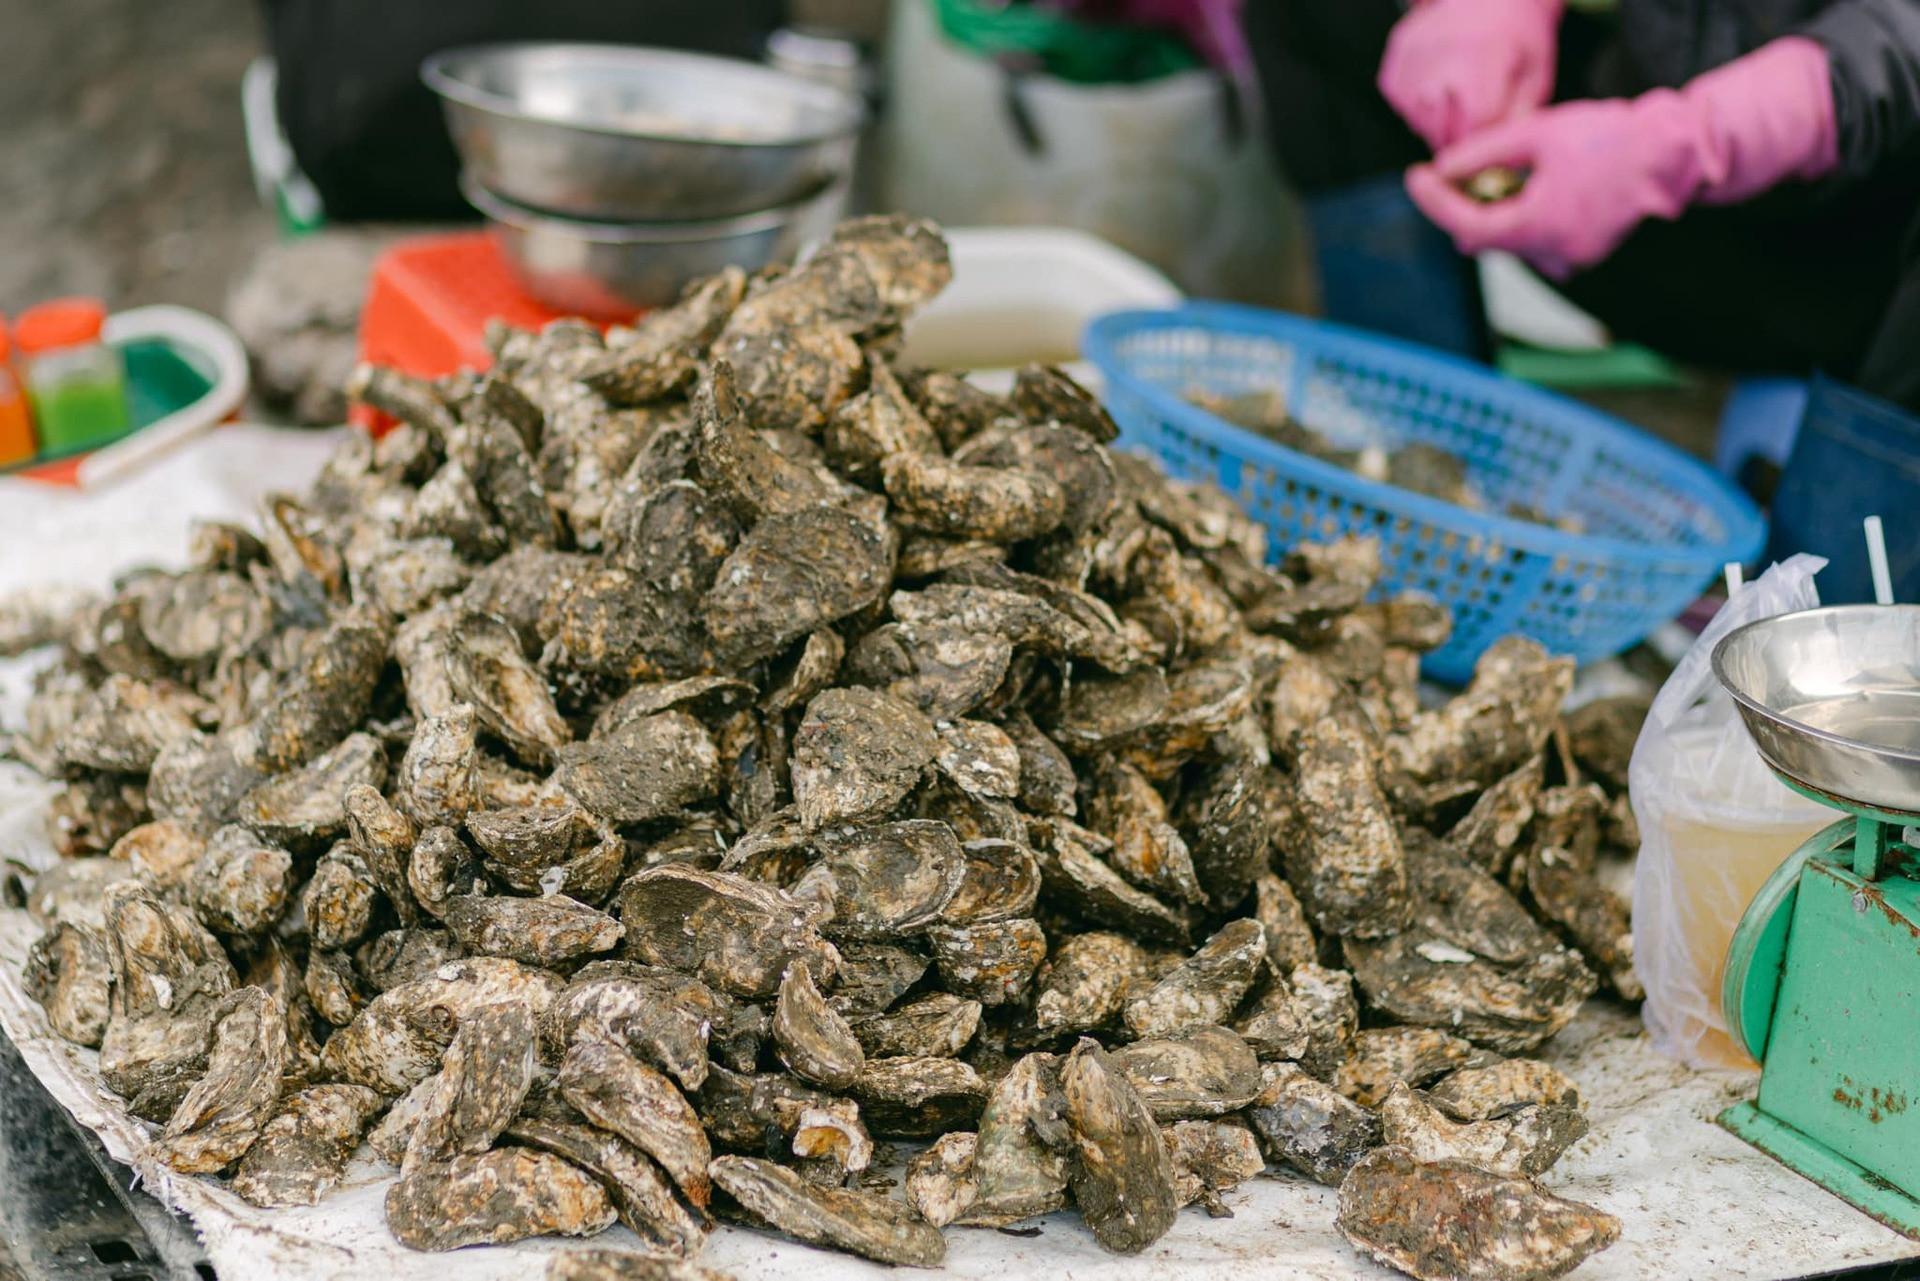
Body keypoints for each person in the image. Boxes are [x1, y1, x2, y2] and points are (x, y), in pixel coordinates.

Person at [1242, 0, 1920, 411]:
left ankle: (1854, 554)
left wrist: (1690, 142)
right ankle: (1414, 446)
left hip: (1860, 275)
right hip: (1637, 212)